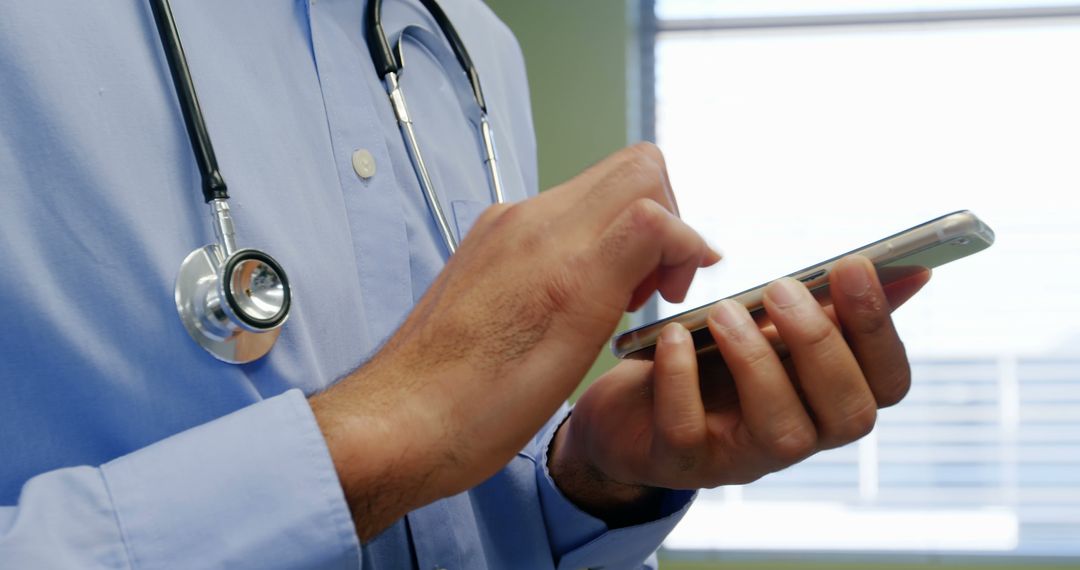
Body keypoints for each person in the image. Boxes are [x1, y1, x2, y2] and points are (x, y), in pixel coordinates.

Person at [0, 1, 929, 568]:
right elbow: (422, 426)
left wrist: (591, 481)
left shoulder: (467, 43)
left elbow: (466, 524)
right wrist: (383, 436)